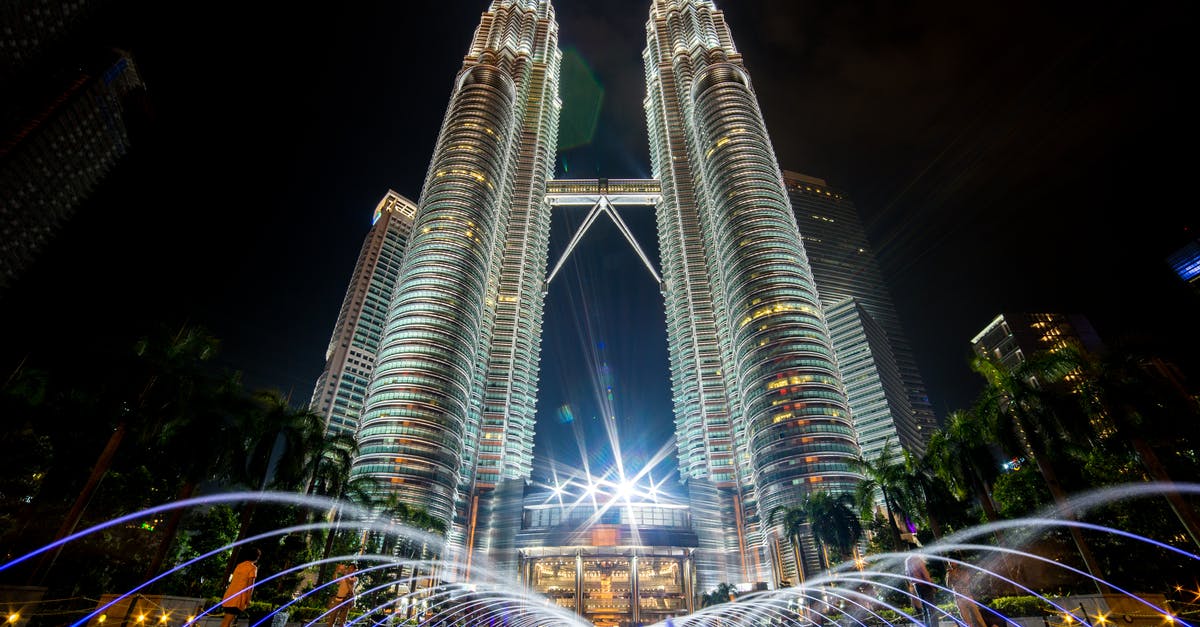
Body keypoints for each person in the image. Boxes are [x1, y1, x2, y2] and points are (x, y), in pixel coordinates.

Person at [220, 547, 261, 627]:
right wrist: (248, 600)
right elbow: (250, 586)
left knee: (226, 621)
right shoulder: (253, 568)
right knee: (227, 622)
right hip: (238, 598)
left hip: (229, 595)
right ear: (257, 557)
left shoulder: (240, 565)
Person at [946, 562, 988, 627]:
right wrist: (949, 576)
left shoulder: (963, 571)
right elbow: (948, 585)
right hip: (958, 598)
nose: (951, 564)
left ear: (956, 562)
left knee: (978, 617)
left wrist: (956, 576)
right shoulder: (949, 573)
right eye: (950, 563)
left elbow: (966, 582)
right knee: (967, 621)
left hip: (968, 596)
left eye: (952, 562)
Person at [904, 553, 938, 626]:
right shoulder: (917, 560)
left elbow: (909, 577)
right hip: (925, 585)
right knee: (932, 609)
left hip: (917, 586)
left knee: (925, 609)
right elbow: (925, 575)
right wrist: (932, 586)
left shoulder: (908, 562)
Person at [327, 563, 359, 627]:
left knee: (342, 621)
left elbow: (349, 581)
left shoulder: (355, 579)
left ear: (355, 570)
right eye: (349, 567)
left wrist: (344, 572)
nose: (349, 569)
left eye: (351, 568)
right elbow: (335, 580)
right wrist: (336, 571)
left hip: (346, 600)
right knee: (332, 619)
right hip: (338, 599)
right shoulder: (344, 577)